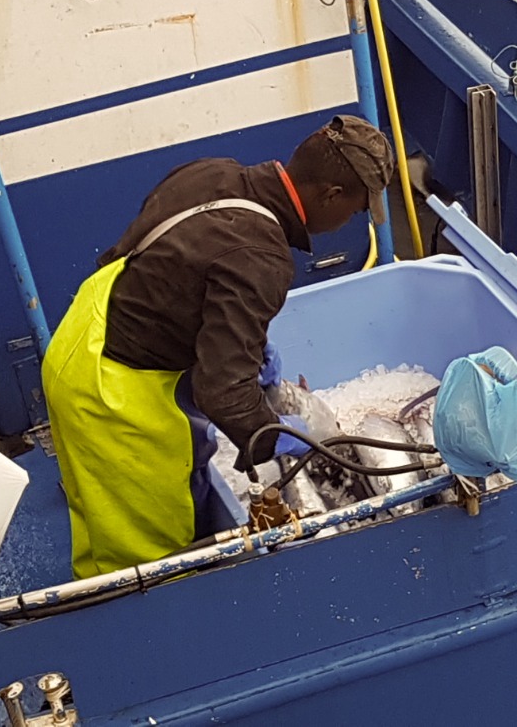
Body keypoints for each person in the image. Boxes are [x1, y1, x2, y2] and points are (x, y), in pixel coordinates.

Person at [41, 115, 395, 578]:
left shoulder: (214, 172)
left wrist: (248, 348)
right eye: (354, 210)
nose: (349, 221)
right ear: (330, 195)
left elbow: (177, 266)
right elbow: (221, 393)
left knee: (98, 513)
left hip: (80, 336)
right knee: (151, 565)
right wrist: (269, 433)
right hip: (116, 398)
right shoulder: (263, 259)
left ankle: (96, 586)